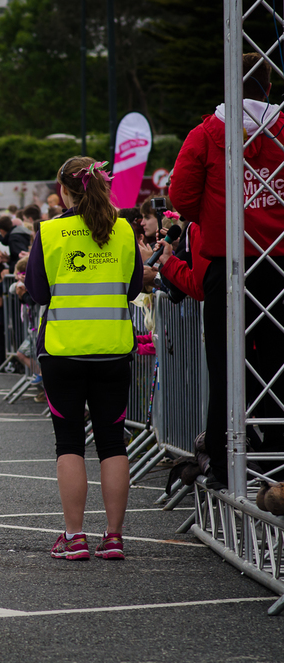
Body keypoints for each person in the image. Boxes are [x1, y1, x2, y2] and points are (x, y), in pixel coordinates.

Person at [169, 52, 284, 488]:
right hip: (279, 263)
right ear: (269, 87)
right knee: (278, 363)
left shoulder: (206, 133)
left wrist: (217, 217)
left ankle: (220, 460)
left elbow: (181, 199)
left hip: (227, 265)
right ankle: (278, 453)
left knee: (224, 365)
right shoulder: (282, 128)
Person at [26, 156, 143, 561]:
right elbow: (130, 289)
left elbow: (38, 293)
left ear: (64, 189)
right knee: (113, 442)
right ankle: (113, 537)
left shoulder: (51, 231)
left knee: (69, 442)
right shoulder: (124, 229)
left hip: (64, 349)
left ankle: (74, 537)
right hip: (112, 348)